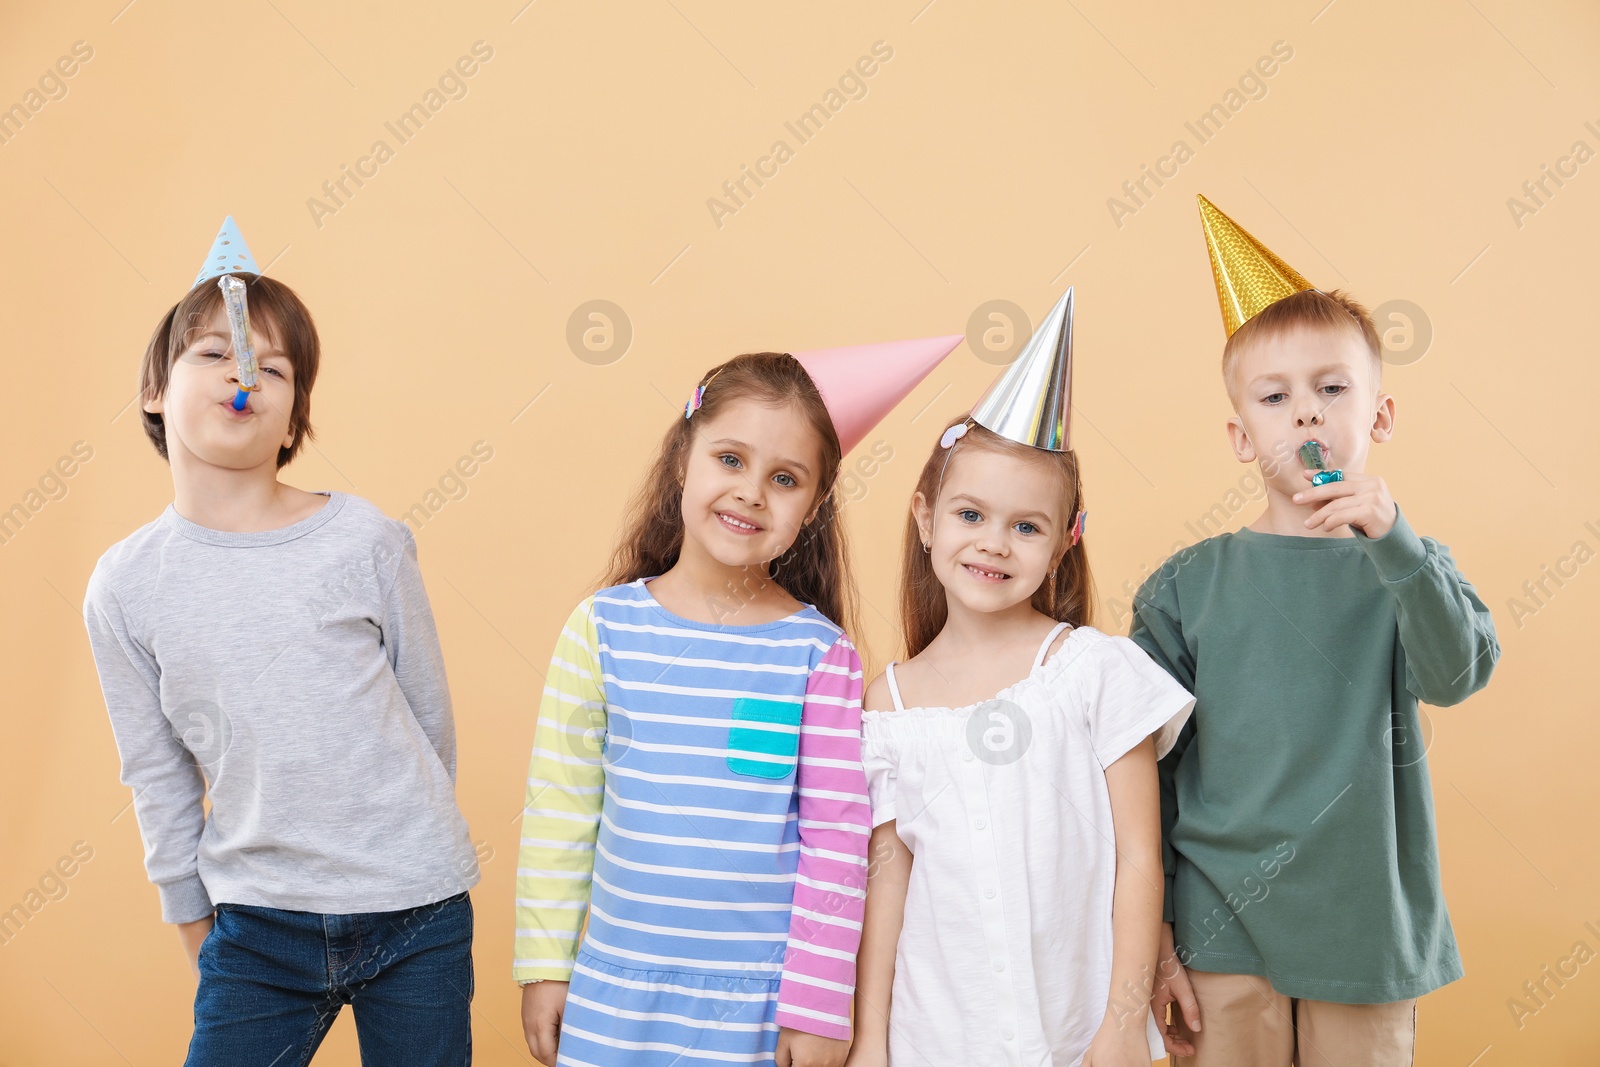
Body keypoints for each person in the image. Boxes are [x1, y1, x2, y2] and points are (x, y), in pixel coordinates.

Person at [83, 217, 480, 1066]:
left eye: (272, 367)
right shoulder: (125, 584)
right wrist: (196, 921)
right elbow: (155, 772)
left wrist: (402, 851)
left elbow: (427, 716)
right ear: (154, 388)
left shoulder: (365, 539)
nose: (244, 376)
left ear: (297, 409)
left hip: (418, 909)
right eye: (214, 355)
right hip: (256, 924)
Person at [514, 338, 960, 1067]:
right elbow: (562, 804)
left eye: (784, 477)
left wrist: (819, 1005)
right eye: (730, 459)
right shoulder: (601, 629)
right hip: (615, 994)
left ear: (813, 504)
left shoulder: (819, 656)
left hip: (757, 1007)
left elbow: (836, 842)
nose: (751, 491)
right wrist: (545, 963)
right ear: (682, 457)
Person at [1137, 196, 1500, 1066]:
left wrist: (1399, 542)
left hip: (1364, 925)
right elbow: (1142, 767)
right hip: (1218, 924)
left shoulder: (1408, 566)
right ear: (1240, 434)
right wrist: (1154, 927)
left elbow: (1457, 674)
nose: (1305, 414)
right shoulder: (1187, 585)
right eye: (1275, 396)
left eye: (1332, 389)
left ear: (1378, 416)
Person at [847, 291, 1194, 1067]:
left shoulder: (1091, 672)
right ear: (926, 516)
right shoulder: (890, 707)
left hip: (1080, 1037)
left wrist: (1121, 1023)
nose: (993, 544)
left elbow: (1139, 857)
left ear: (1065, 541)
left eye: (1026, 526)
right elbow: (888, 888)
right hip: (936, 1040)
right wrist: (872, 1039)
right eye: (971, 515)